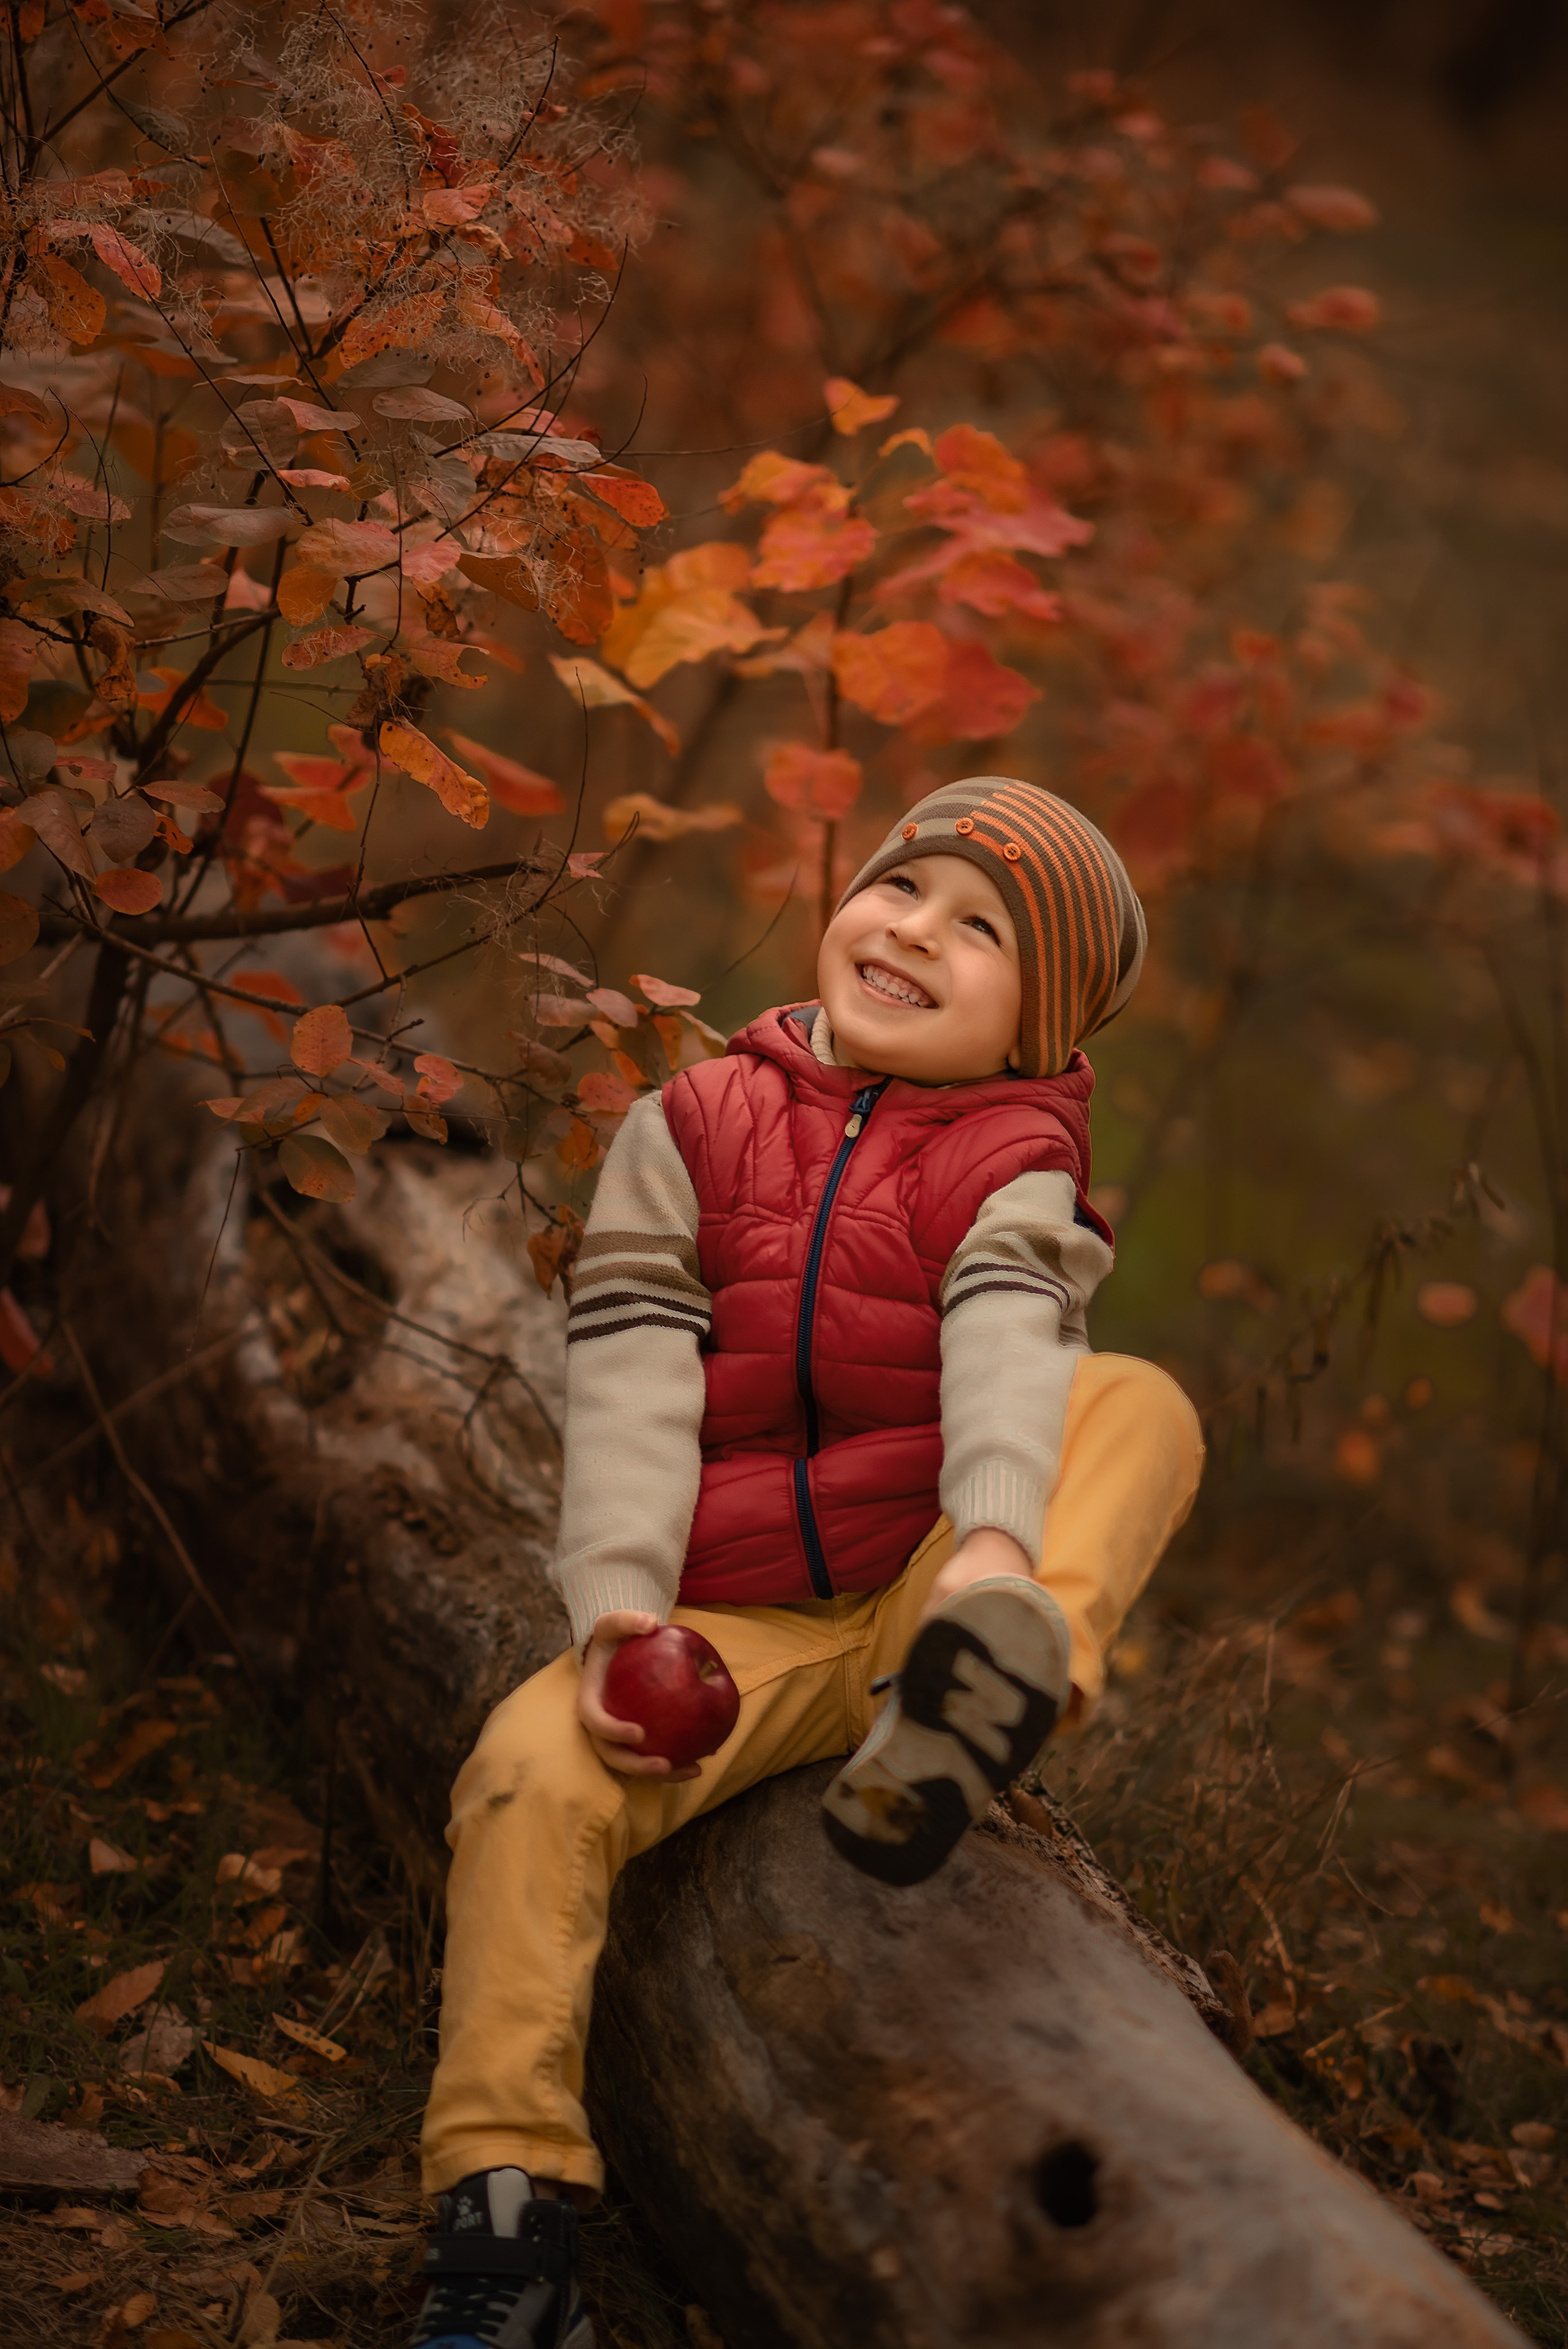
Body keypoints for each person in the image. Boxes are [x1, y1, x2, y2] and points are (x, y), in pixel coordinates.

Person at [409, 776, 1205, 2349]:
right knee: (521, 1773)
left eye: (980, 931)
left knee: (1137, 1404)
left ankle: (979, 1693)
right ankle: (504, 2213)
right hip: (741, 1623)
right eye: (902, 887)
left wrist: (988, 1547)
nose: (912, 930)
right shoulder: (692, 1122)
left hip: (934, 1581)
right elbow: (632, 1372)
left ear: (1036, 1024)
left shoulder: (1016, 1153)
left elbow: (1008, 1338)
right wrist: (619, 1615)